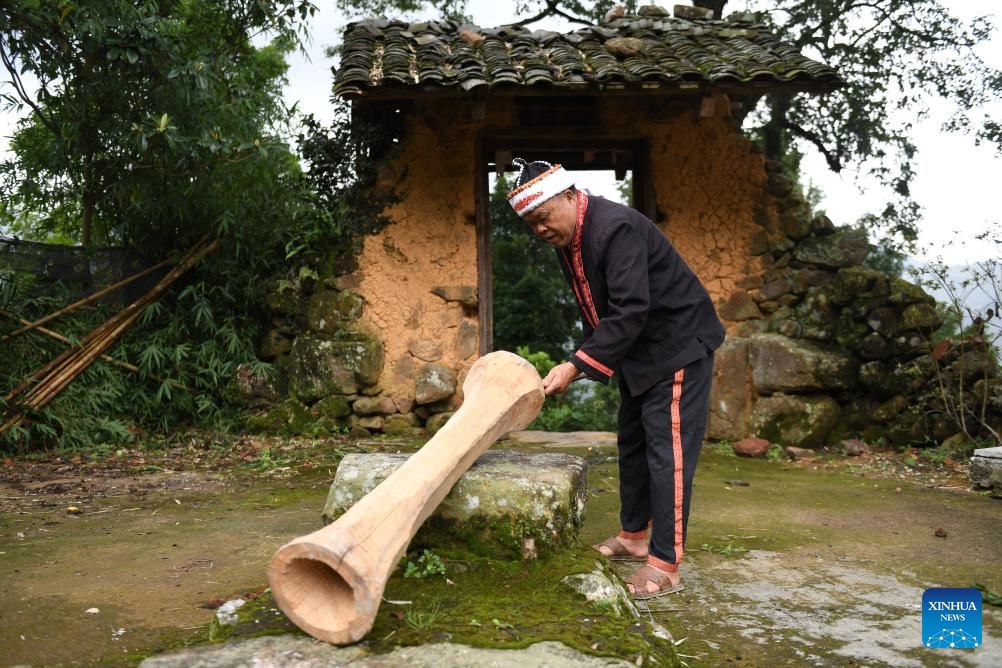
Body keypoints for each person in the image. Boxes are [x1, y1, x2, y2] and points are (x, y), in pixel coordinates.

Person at [506, 158, 725, 600]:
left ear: (569, 196)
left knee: (669, 453)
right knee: (633, 442)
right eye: (532, 225)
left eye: (544, 217)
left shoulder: (614, 228)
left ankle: (665, 562)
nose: (541, 230)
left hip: (676, 345)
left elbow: (630, 310)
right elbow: (595, 307)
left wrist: (576, 364)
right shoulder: (571, 240)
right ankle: (633, 536)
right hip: (639, 353)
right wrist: (586, 355)